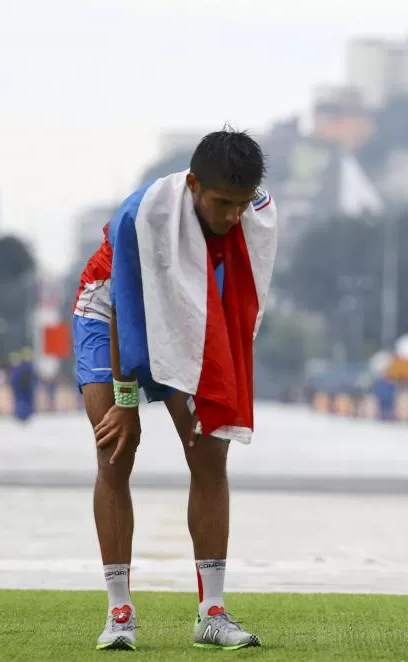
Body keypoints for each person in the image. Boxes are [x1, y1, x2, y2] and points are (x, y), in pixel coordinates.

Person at [72, 129, 277, 651]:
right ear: (192, 186)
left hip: (185, 316)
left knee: (209, 452)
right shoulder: (141, 217)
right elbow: (125, 307)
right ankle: (120, 611)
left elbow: (231, 303)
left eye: (240, 204)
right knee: (116, 451)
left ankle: (212, 611)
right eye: (221, 204)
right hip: (109, 312)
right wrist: (124, 401)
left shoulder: (252, 215)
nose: (232, 216)